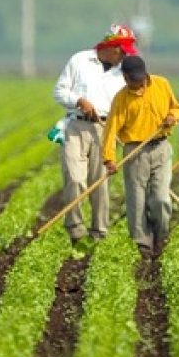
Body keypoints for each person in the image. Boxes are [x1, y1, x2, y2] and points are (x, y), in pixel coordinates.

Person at [53, 24, 139, 245]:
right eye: (124, 50)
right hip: (76, 126)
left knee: (100, 182)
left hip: (105, 128)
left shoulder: (123, 72)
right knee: (74, 179)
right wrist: (79, 101)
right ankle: (76, 231)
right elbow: (59, 91)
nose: (126, 55)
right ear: (112, 47)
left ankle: (99, 232)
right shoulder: (80, 60)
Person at [103, 56, 179, 257]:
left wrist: (172, 117)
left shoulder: (161, 84)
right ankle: (143, 245)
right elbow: (110, 130)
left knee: (160, 198)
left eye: (141, 78)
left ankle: (160, 236)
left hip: (161, 148)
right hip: (135, 151)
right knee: (137, 201)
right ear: (125, 77)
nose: (139, 83)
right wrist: (109, 159)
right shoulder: (121, 98)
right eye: (134, 79)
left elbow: (178, 108)